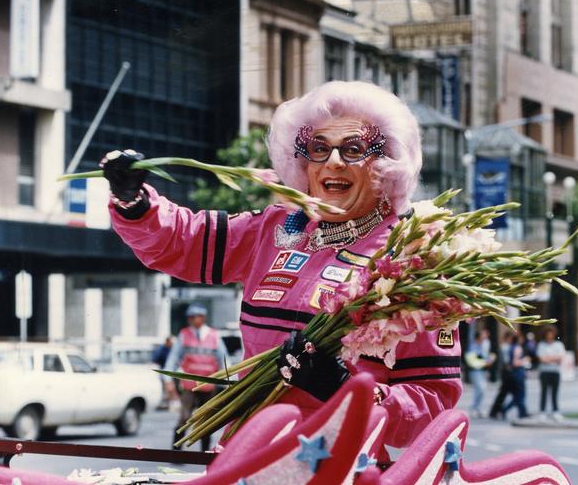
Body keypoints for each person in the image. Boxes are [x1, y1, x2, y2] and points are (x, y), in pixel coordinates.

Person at [100, 81, 463, 450]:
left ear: (385, 164)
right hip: (246, 455)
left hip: (341, 466)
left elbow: (433, 403)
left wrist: (345, 390)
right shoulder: (275, 229)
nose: (332, 161)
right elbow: (183, 242)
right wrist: (135, 202)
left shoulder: (413, 258)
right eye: (318, 148)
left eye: (353, 149)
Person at [162, 303, 227, 450]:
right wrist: (167, 380)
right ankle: (176, 451)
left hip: (208, 385)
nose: (193, 320)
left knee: (206, 420)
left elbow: (223, 359)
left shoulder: (214, 336)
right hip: (189, 386)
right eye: (190, 317)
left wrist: (227, 381)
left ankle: (204, 452)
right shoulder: (184, 335)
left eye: (196, 316)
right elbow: (173, 358)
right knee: (184, 418)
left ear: (203, 318)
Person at [536, 326, 566, 420]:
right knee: (544, 392)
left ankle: (555, 411)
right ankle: (542, 411)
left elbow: (561, 357)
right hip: (544, 372)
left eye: (551, 334)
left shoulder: (558, 344)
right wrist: (554, 358)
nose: (549, 336)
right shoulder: (541, 345)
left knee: (555, 393)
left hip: (555, 372)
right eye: (548, 334)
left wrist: (548, 358)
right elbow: (541, 359)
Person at [466, 328, 494, 418]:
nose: (485, 336)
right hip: (475, 371)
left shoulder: (484, 345)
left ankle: (477, 408)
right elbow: (471, 361)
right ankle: (474, 407)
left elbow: (485, 356)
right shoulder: (473, 346)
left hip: (483, 371)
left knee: (482, 390)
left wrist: (490, 359)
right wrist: (485, 362)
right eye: (483, 334)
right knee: (480, 389)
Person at [502, 332, 530, 419]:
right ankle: (507, 409)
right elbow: (515, 362)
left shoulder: (511, 347)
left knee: (518, 395)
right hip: (518, 373)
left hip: (514, 374)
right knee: (520, 395)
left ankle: (522, 412)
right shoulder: (517, 348)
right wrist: (524, 361)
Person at [489, 332, 515, 419]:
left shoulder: (505, 346)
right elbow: (506, 361)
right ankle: (498, 410)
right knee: (504, 393)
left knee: (503, 394)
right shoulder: (505, 347)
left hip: (506, 372)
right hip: (506, 373)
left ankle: (497, 410)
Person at [152, 335, 175, 410]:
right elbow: (155, 359)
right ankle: (166, 403)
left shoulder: (172, 349)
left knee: (172, 388)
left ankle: (170, 402)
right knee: (166, 387)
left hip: (173, 371)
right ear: (167, 342)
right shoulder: (161, 349)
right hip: (164, 370)